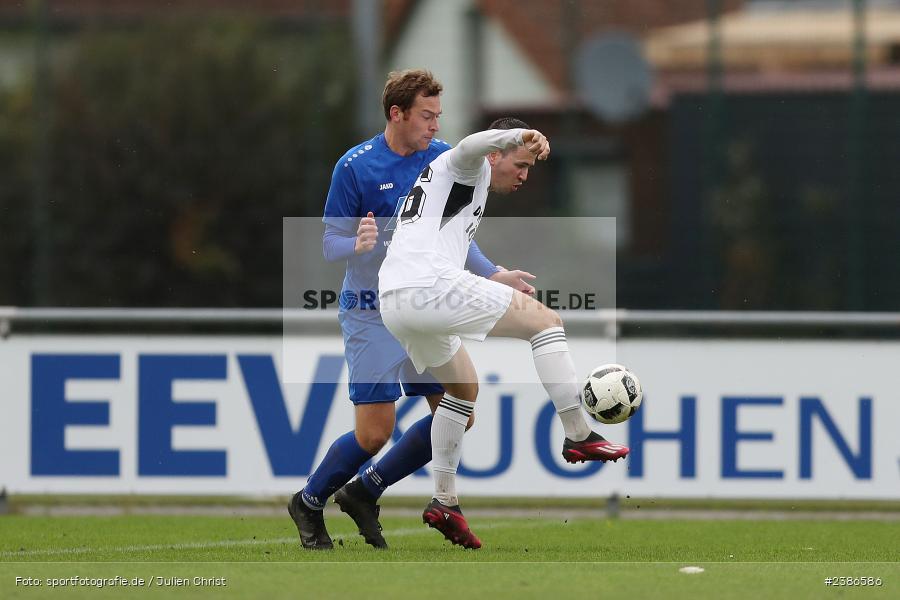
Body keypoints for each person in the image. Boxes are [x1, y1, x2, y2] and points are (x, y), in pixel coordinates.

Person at [288, 70, 535, 550]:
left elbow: (455, 235)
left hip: (424, 304)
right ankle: (309, 501)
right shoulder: (356, 167)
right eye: (427, 116)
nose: (435, 127)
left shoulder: (443, 160)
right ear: (396, 114)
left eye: (439, 117)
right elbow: (328, 243)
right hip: (372, 309)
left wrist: (492, 274)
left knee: (457, 410)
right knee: (374, 432)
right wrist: (354, 244)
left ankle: (365, 491)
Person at [378, 118, 630, 550]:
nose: (524, 175)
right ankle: (577, 434)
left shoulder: (461, 185)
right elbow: (470, 144)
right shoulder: (467, 164)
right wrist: (516, 137)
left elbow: (445, 242)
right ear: (496, 155)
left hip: (396, 300)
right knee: (547, 323)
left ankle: (444, 500)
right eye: (521, 164)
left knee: (462, 388)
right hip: (427, 286)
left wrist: (495, 276)